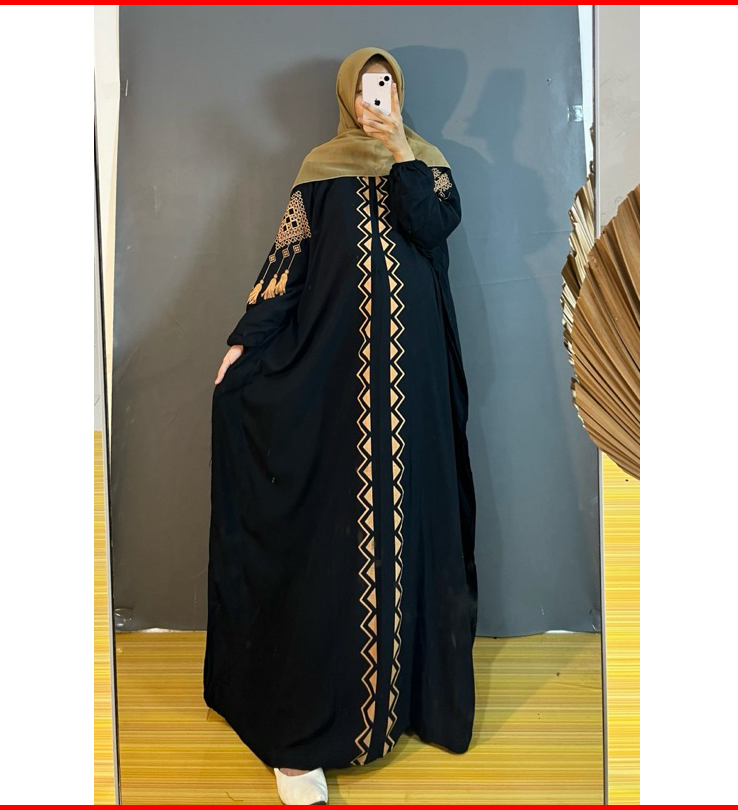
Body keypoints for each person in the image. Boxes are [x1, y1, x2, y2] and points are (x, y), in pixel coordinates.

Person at [203, 46, 478, 806]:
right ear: (345, 96)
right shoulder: (319, 168)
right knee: (340, 529)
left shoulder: (428, 161)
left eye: (384, 84)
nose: (374, 97)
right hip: (337, 375)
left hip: (415, 376)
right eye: (363, 87)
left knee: (410, 520)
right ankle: (318, 720)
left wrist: (401, 154)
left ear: (399, 90)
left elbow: (434, 230)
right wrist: (246, 340)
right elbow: (287, 262)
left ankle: (409, 699)